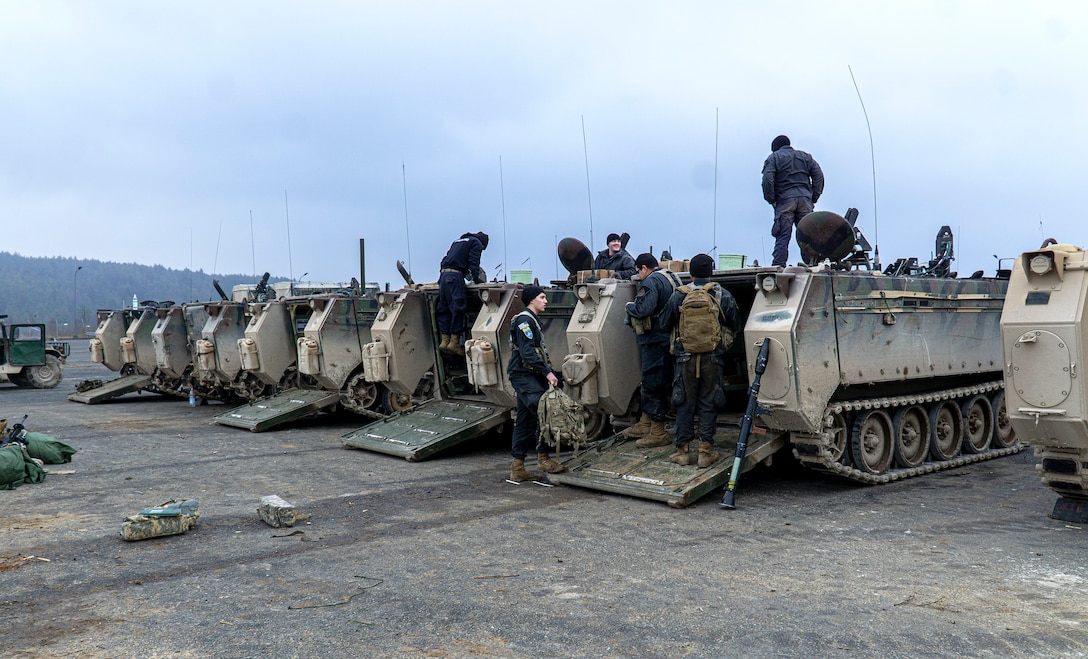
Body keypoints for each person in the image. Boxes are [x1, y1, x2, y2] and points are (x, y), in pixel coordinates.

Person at [660, 253, 742, 468]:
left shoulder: (679, 295)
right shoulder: (721, 293)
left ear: (692, 273)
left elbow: (663, 322)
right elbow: (735, 323)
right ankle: (705, 452)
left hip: (684, 357)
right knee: (709, 401)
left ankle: (682, 452)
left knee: (684, 401)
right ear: (711, 272)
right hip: (713, 357)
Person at [507, 284, 565, 482]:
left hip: (527, 376)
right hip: (524, 375)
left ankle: (518, 467)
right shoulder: (525, 321)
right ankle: (543, 458)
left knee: (524, 421)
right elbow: (527, 353)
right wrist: (548, 373)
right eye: (542, 297)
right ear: (532, 300)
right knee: (545, 411)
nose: (545, 301)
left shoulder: (531, 320)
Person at [623, 253, 682, 447]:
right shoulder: (671, 276)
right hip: (668, 338)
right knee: (656, 381)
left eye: (639, 271)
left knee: (652, 382)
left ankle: (657, 432)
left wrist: (630, 306)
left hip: (655, 341)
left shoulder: (650, 282)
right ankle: (645, 421)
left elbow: (643, 309)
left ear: (643, 268)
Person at [761, 135, 824, 267]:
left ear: (775, 149)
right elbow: (819, 176)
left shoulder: (774, 158)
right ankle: (812, 265)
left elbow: (768, 179)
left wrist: (771, 199)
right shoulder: (806, 157)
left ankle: (778, 266)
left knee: (783, 236)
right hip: (805, 201)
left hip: (785, 201)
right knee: (807, 236)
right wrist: (813, 197)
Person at [437, 232, 489, 355]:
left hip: (444, 276)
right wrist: (477, 280)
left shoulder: (458, 241)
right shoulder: (476, 243)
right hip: (455, 276)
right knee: (458, 307)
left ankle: (445, 341)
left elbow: (445, 259)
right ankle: (454, 343)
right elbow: (473, 262)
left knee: (444, 307)